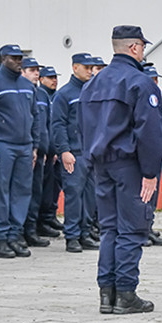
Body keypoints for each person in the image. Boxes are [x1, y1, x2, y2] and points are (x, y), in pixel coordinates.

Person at [79, 25, 162, 315]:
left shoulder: (92, 83)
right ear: (134, 48)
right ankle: (126, 293)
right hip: (130, 166)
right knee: (132, 230)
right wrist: (150, 173)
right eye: (142, 46)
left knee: (109, 230)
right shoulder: (141, 83)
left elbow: (85, 128)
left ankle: (107, 294)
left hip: (102, 165)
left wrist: (91, 162)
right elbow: (150, 131)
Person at [0, 44, 40, 259]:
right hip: (2, 144)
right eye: (13, 58)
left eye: (20, 57)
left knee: (22, 191)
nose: (18, 61)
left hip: (24, 145)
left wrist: (34, 145)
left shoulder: (26, 85)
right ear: (3, 58)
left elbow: (35, 116)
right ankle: (1, 239)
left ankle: (15, 234)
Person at [52, 53, 99, 253]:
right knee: (74, 196)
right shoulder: (64, 94)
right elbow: (58, 125)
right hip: (74, 153)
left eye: (91, 68)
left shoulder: (94, 91)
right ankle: (72, 236)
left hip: (91, 153)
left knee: (90, 196)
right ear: (75, 68)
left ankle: (85, 233)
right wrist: (64, 150)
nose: (90, 71)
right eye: (86, 67)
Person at [20, 57, 52, 249]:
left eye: (36, 70)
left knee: (36, 192)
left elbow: (45, 124)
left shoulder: (41, 94)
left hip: (40, 151)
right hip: (23, 149)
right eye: (31, 70)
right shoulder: (19, 91)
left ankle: (31, 229)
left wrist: (45, 147)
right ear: (22, 72)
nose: (36, 73)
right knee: (21, 192)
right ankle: (19, 230)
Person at [142, 63, 162, 247]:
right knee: (143, 195)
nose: (155, 82)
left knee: (153, 194)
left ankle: (148, 226)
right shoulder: (142, 99)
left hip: (157, 153)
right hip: (144, 155)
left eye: (156, 79)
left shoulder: (160, 100)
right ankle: (141, 230)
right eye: (151, 79)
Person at [36, 66, 64, 238]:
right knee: (41, 188)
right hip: (42, 151)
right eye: (50, 77)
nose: (54, 80)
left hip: (55, 150)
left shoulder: (57, 97)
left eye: (55, 77)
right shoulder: (39, 96)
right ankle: (41, 220)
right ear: (41, 79)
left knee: (54, 187)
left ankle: (50, 215)